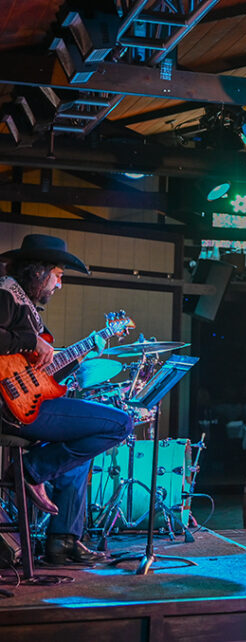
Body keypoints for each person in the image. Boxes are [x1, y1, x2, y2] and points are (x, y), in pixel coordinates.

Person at [0, 234, 132, 565]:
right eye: (58, 275)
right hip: (8, 408)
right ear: (39, 271)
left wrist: (87, 348)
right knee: (120, 423)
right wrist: (33, 340)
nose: (59, 285)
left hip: (23, 401)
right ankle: (31, 470)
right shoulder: (5, 294)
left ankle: (62, 540)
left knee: (79, 448)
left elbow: (38, 374)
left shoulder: (24, 304)